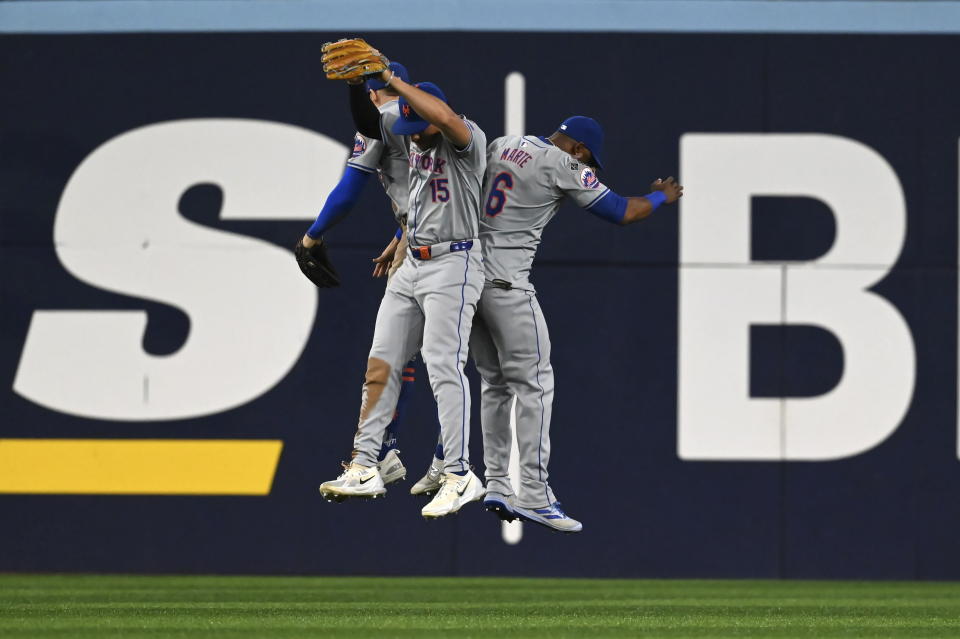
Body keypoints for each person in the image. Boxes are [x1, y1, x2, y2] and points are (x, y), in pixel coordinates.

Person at [466, 116, 683, 532]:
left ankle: (496, 482)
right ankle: (533, 492)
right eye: (590, 160)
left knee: (494, 382)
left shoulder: (501, 144)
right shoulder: (563, 163)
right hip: (508, 285)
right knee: (535, 385)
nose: (588, 165)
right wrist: (659, 198)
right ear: (580, 150)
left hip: (469, 282)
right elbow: (622, 211)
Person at [318, 64, 489, 519]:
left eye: (419, 125)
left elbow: (447, 121)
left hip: (455, 262)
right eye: (408, 126)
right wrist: (360, 84)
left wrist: (391, 82)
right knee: (381, 363)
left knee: (443, 365)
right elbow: (369, 124)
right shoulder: (410, 130)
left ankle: (459, 472)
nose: (412, 136)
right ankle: (365, 464)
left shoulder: (465, 138)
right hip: (413, 261)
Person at [297, 62, 415, 490]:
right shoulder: (433, 118)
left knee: (394, 357)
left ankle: (381, 457)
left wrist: (312, 237)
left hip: (433, 257)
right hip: (458, 244)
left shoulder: (381, 121)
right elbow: (440, 188)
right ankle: (387, 452)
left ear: (370, 94)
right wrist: (403, 233)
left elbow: (348, 190)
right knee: (441, 362)